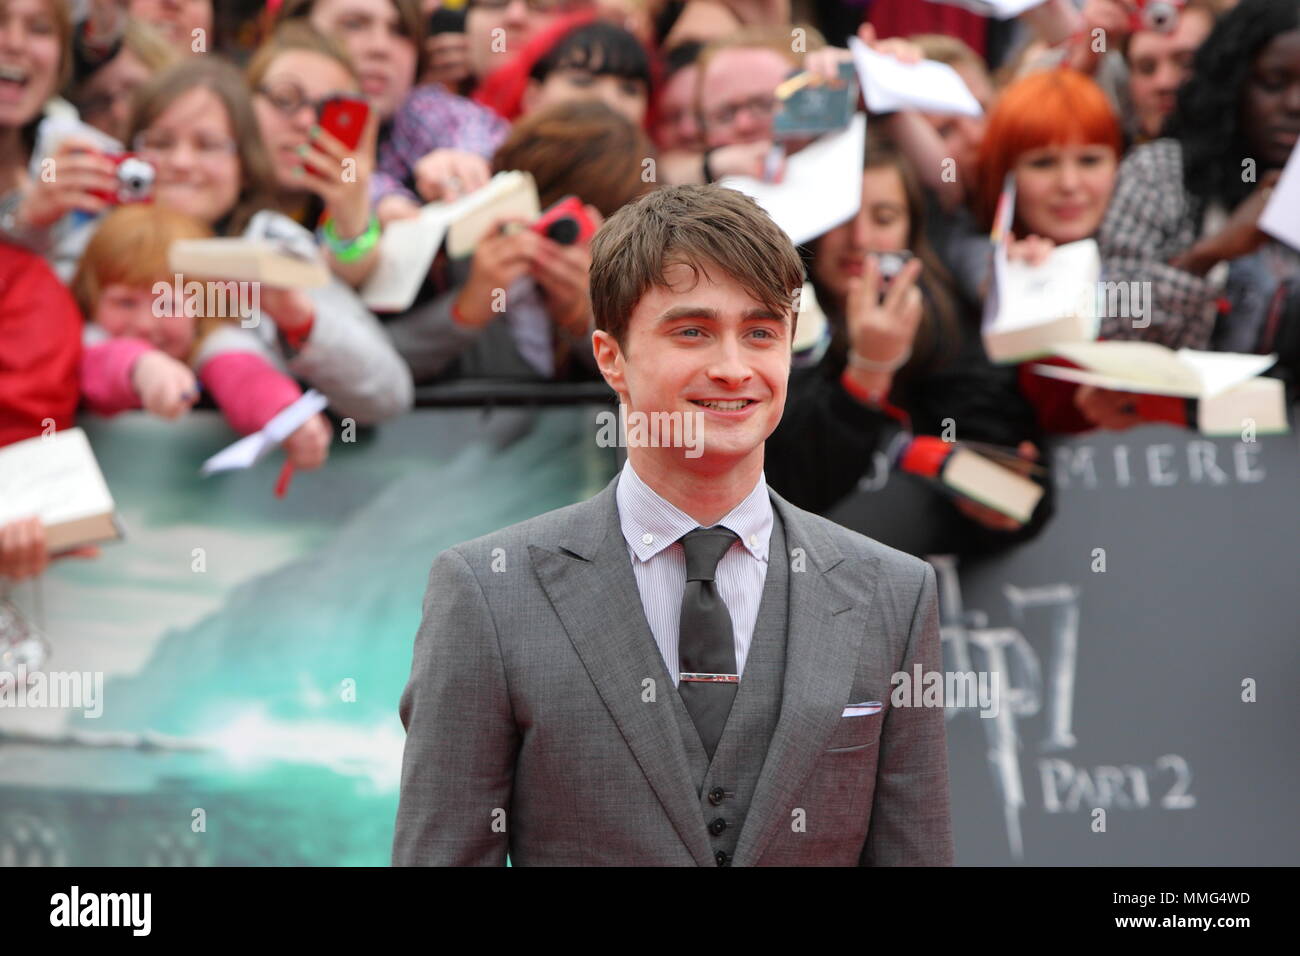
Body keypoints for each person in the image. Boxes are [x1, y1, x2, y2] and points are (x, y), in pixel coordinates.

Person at [392, 184, 953, 866]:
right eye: (692, 331)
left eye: (761, 331)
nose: (732, 367)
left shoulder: (892, 593)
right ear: (610, 357)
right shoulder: (486, 594)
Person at [767, 136, 1053, 555]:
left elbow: (1025, 487)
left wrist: (1007, 501)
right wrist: (869, 370)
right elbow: (791, 486)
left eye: (883, 218)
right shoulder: (770, 325)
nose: (860, 238)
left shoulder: (946, 320)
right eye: (841, 217)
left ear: (911, 232)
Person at [122, 56, 414, 424]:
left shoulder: (274, 244)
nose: (181, 161)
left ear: (244, 166)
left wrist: (302, 322)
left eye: (208, 145)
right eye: (160, 143)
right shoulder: (96, 240)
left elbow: (389, 394)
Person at [1087, 0, 1300, 428]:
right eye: (1273, 83)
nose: (1294, 103)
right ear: (1234, 83)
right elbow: (1113, 319)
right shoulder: (1162, 173)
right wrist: (1208, 255)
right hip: (1187, 453)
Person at [384, 98, 650, 382]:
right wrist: (468, 307)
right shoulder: (453, 240)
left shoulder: (627, 282)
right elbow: (368, 372)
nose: (552, 238)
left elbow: (650, 389)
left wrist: (582, 318)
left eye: (576, 225)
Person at [72, 204, 332, 468]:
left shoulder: (216, 343)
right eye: (125, 302)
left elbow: (246, 379)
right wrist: (144, 368)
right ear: (91, 299)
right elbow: (101, 369)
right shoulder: (88, 343)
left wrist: (288, 419)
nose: (145, 324)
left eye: (167, 304)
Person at [247, 20, 383, 287]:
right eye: (284, 99)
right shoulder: (211, 194)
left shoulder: (365, 208)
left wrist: (351, 222)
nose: (306, 121)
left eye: (327, 110)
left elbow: (348, 275)